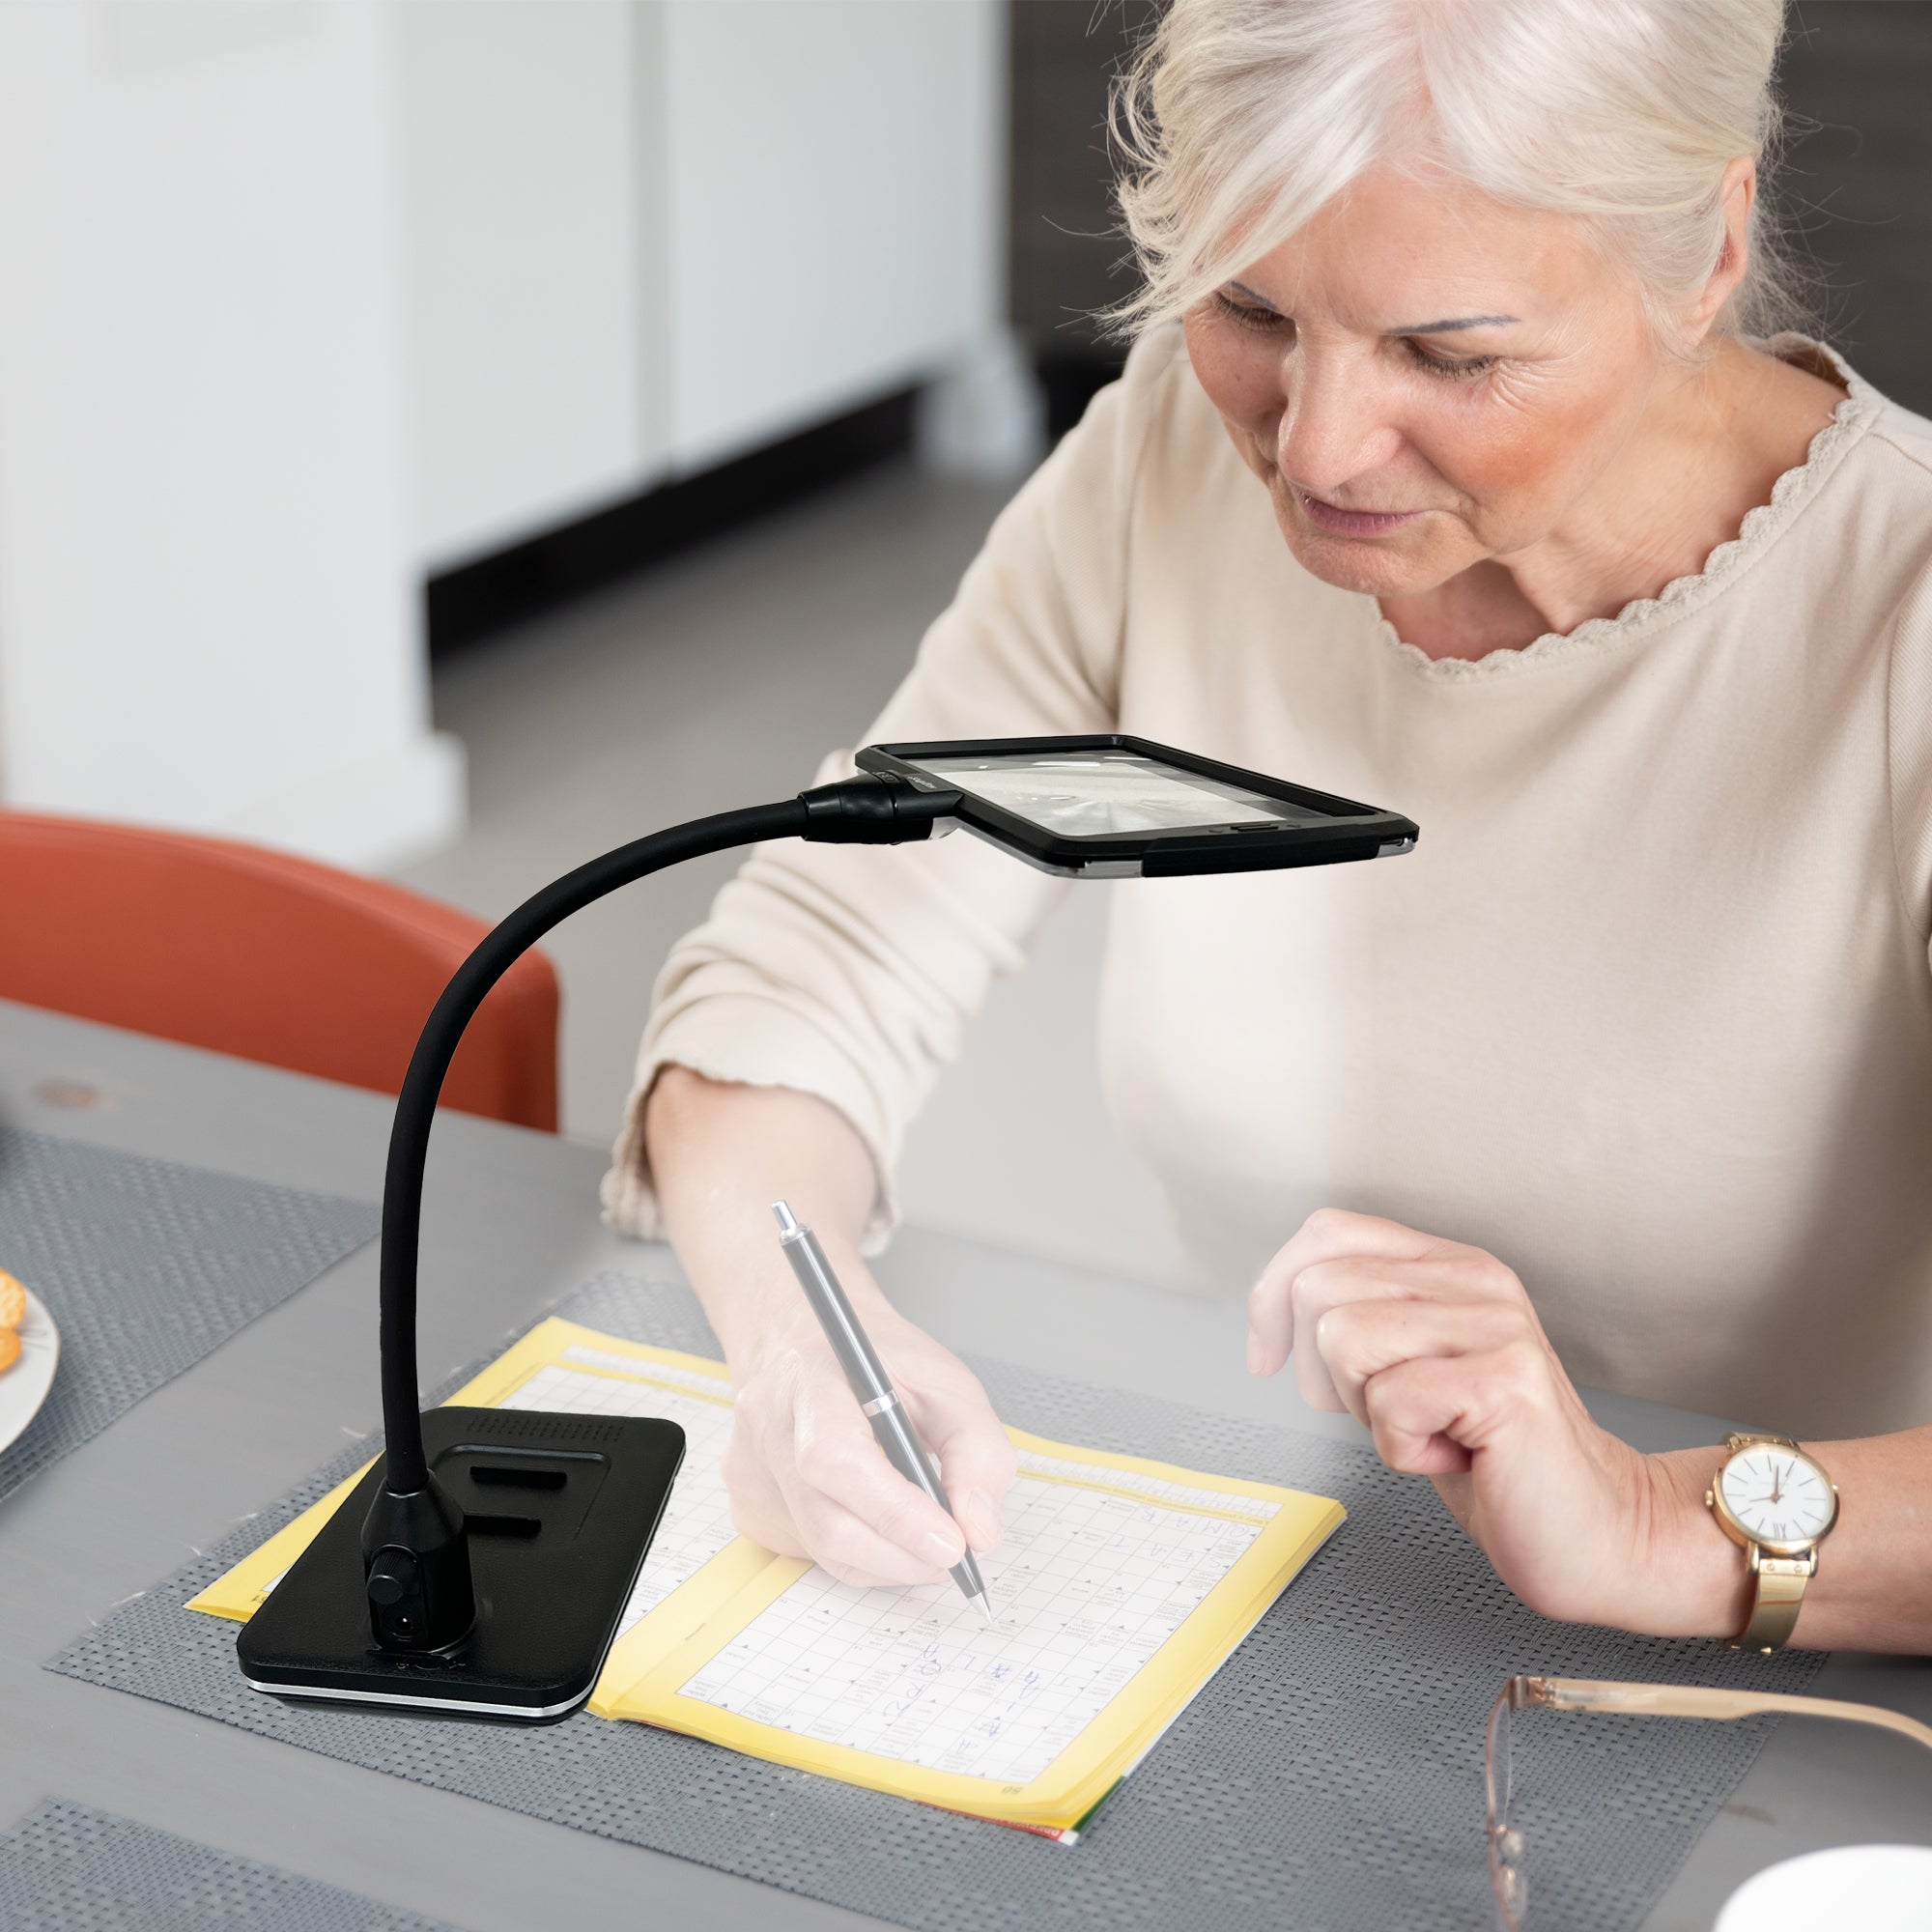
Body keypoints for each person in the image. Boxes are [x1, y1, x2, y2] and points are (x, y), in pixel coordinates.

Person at [613, 0, 1932, 1653]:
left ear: (1707, 252)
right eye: (1251, 305)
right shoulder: (1172, 447)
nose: (1313, 446)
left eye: (1452, 354)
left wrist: (1663, 1527)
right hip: (1275, 1584)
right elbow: (806, 972)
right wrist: (798, 1355)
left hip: (1772, 1695)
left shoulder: (1907, 627)